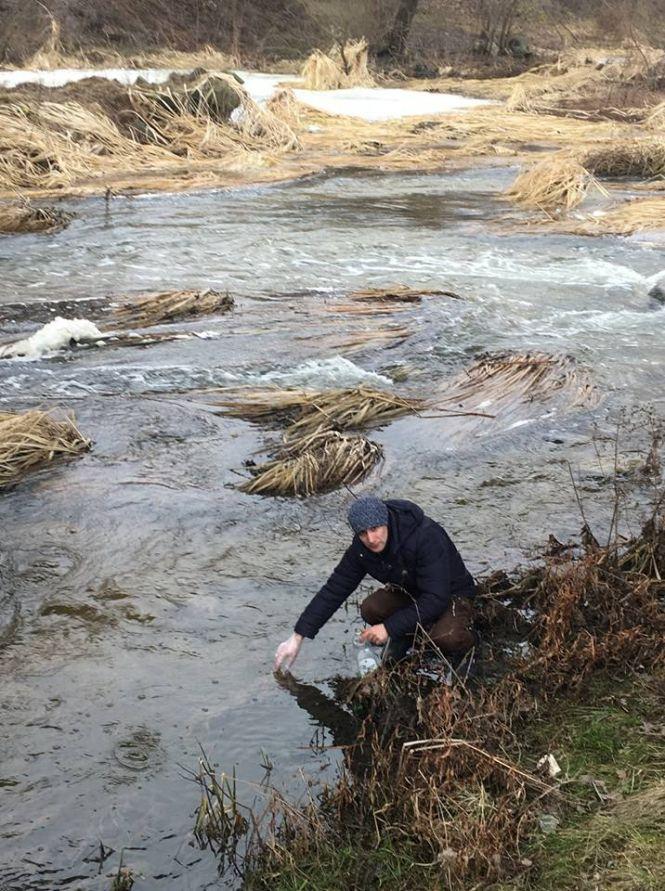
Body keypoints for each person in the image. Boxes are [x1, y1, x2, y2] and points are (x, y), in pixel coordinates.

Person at [274, 495, 477, 672]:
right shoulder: (361, 550)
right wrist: (298, 637)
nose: (371, 539)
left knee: (446, 638)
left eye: (375, 528)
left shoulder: (425, 536)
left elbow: (436, 599)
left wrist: (388, 628)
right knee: (371, 608)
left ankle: (472, 650)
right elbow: (334, 589)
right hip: (411, 592)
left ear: (385, 521)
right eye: (363, 533)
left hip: (452, 595)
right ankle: (406, 636)